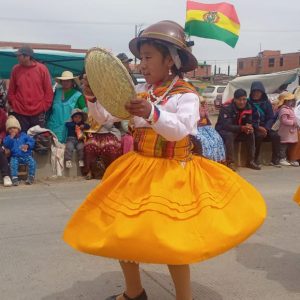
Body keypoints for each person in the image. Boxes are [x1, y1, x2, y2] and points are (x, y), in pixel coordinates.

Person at [63, 21, 266, 300]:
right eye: (140, 58)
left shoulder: (186, 95)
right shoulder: (142, 92)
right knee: (123, 234)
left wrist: (152, 112)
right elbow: (105, 117)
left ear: (170, 60)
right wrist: (93, 96)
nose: (142, 64)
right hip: (137, 168)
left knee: (173, 242)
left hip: (173, 173)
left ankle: (184, 297)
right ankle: (134, 292)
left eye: (148, 57)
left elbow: (180, 130)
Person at [7, 46, 53, 132]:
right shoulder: (15, 69)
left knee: (39, 140)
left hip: (38, 112)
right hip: (20, 112)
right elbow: (11, 90)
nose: (17, 57)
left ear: (27, 56)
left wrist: (44, 106)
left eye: (19, 55)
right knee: (21, 139)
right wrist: (14, 104)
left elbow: (48, 91)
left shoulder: (42, 69)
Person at [216, 89, 261, 171]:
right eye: (239, 100)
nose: (242, 102)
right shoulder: (226, 108)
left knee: (251, 133)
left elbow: (249, 121)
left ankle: (250, 161)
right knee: (229, 135)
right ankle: (230, 162)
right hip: (224, 130)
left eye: (244, 99)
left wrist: (249, 127)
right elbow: (226, 126)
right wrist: (242, 128)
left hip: (239, 130)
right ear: (235, 99)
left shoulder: (248, 106)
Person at [46, 71, 87, 143]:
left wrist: (81, 122)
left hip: (69, 129)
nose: (65, 82)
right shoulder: (57, 92)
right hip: (53, 126)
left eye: (68, 81)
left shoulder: (78, 95)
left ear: (72, 82)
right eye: (64, 81)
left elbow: (84, 110)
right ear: (61, 82)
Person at [248, 81, 281, 167]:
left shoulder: (266, 103)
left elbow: (271, 117)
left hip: (265, 127)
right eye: (254, 91)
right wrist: (258, 127)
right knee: (258, 136)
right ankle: (255, 158)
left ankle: (275, 159)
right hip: (254, 127)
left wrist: (266, 128)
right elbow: (248, 119)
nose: (256, 94)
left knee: (276, 136)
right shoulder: (248, 103)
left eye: (258, 92)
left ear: (262, 93)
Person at [83, 116, 123, 180]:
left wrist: (102, 120)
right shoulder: (93, 113)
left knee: (110, 147)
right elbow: (89, 126)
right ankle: (89, 171)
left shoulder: (109, 113)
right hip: (95, 135)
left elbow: (109, 126)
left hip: (108, 134)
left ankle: (111, 171)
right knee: (89, 147)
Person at [3, 116, 36, 186]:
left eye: (14, 128)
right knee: (13, 164)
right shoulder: (8, 137)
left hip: (26, 155)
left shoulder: (24, 135)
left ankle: (31, 176)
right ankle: (14, 178)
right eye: (10, 129)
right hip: (15, 156)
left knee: (32, 162)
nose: (12, 130)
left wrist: (27, 145)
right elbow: (6, 144)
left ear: (18, 128)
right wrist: (11, 138)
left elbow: (32, 141)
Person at [194, 97, 225, 162]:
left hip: (206, 127)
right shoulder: (193, 108)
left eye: (203, 103)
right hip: (196, 128)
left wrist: (205, 109)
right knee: (205, 141)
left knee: (217, 138)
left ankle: (218, 159)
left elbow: (206, 117)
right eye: (201, 103)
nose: (203, 104)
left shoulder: (205, 108)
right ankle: (207, 160)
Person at [276, 92, 299, 166]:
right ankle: (282, 158)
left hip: (291, 131)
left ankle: (290, 158)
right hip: (285, 131)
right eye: (289, 100)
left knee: (290, 145)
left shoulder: (290, 109)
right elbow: (284, 120)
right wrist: (293, 122)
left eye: (291, 100)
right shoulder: (283, 110)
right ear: (284, 101)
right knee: (283, 145)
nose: (291, 102)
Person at [0, 107, 12, 187]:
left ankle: (6, 175)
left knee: (1, 151)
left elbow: (4, 130)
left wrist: (1, 137)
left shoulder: (2, 113)